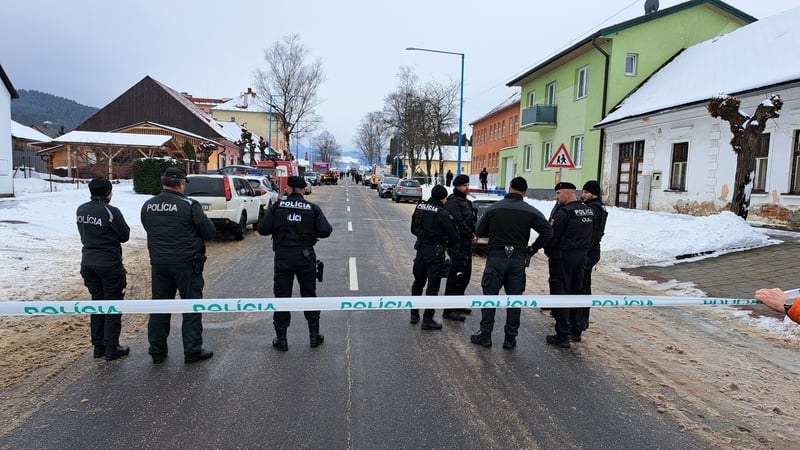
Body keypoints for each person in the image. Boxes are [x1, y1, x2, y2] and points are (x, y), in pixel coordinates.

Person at [141, 167, 217, 364]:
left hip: (159, 263)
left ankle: (157, 351)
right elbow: (209, 232)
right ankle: (192, 350)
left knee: (160, 306)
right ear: (181, 184)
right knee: (191, 306)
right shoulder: (189, 205)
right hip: (186, 264)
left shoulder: (148, 205)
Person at [470, 177, 553, 349]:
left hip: (496, 258)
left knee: (490, 299)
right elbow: (548, 231)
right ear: (525, 191)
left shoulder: (494, 208)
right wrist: (532, 249)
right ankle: (510, 338)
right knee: (514, 300)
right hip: (517, 259)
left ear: (509, 188)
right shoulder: (530, 211)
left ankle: (485, 335)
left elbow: (479, 230)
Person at [258, 175, 333, 351]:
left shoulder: (277, 207)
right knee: (309, 295)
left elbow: (262, 229)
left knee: (282, 297)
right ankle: (314, 336)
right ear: (303, 190)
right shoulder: (312, 208)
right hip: (305, 257)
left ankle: (282, 339)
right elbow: (326, 231)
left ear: (290, 189)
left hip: (283, 257)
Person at [76, 177, 131, 361]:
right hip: (108, 264)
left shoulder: (81, 209)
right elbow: (124, 235)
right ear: (109, 193)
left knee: (97, 303)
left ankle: (98, 347)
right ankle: (111, 347)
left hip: (88, 262)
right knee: (113, 304)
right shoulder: (110, 211)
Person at [544, 182, 594, 348]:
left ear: (567, 193)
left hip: (563, 259)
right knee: (575, 293)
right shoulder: (588, 211)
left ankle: (562, 335)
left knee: (560, 294)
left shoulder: (563, 213)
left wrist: (549, 251)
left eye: (558, 193)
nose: (556, 197)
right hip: (581, 258)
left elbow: (552, 237)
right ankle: (574, 329)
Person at [410, 185, 460, 329]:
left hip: (420, 250)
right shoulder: (443, 213)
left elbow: (413, 229)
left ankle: (414, 314)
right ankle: (427, 319)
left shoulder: (420, 208)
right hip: (435, 253)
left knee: (418, 283)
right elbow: (454, 237)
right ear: (443, 198)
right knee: (433, 287)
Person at [443, 174, 477, 321]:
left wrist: (473, 233)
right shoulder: (453, 202)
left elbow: (470, 221)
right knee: (455, 276)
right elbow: (458, 222)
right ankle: (449, 309)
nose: (467, 188)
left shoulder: (466, 202)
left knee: (465, 275)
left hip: (466, 245)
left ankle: (458, 302)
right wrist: (470, 235)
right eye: (464, 185)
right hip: (457, 245)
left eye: (468, 185)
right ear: (457, 187)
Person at [579, 180, 608, 336]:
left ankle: (579, 324)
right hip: (592, 250)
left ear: (593, 194)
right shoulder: (599, 207)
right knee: (584, 286)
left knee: (581, 287)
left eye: (586, 192)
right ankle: (580, 323)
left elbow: (587, 232)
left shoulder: (591, 209)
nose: (583, 195)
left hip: (587, 252)